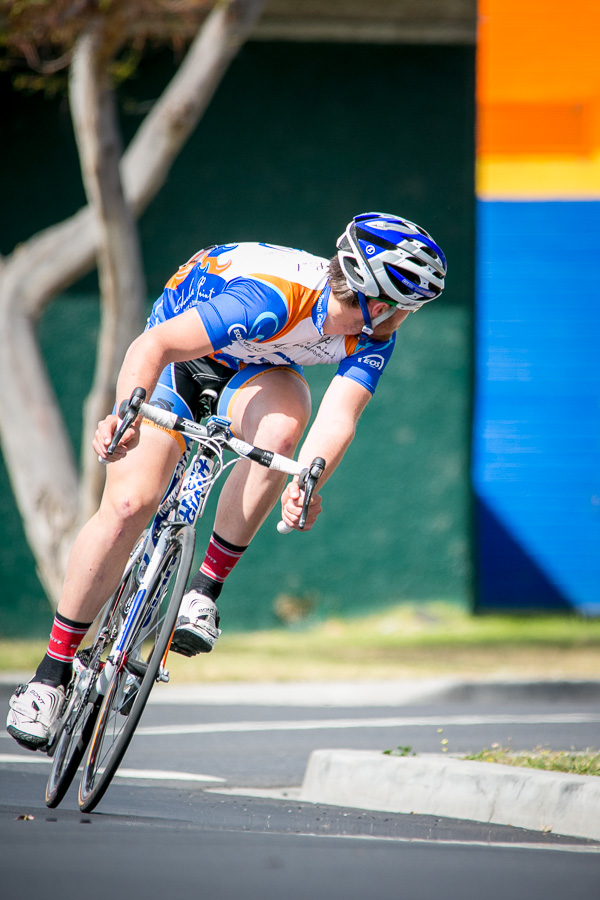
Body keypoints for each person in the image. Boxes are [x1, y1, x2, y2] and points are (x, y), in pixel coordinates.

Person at [7, 212, 446, 750]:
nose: (407, 318)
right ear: (377, 301)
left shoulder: (369, 336)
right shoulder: (271, 299)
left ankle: (204, 590)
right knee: (128, 505)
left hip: (256, 368)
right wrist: (123, 416)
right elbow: (153, 348)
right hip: (179, 359)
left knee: (283, 431)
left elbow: (339, 416)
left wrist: (308, 481)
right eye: (408, 308)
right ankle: (50, 678)